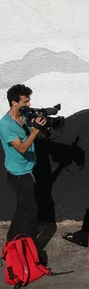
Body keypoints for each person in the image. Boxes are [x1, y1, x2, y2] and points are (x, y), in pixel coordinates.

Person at [0, 84, 47, 242]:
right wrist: (34, 130)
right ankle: (30, 251)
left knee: (21, 209)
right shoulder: (5, 125)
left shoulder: (25, 117)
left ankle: (12, 243)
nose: (29, 104)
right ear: (14, 102)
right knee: (31, 214)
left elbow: (37, 138)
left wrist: (41, 129)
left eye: (29, 100)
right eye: (25, 101)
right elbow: (22, 148)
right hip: (19, 175)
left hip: (30, 168)